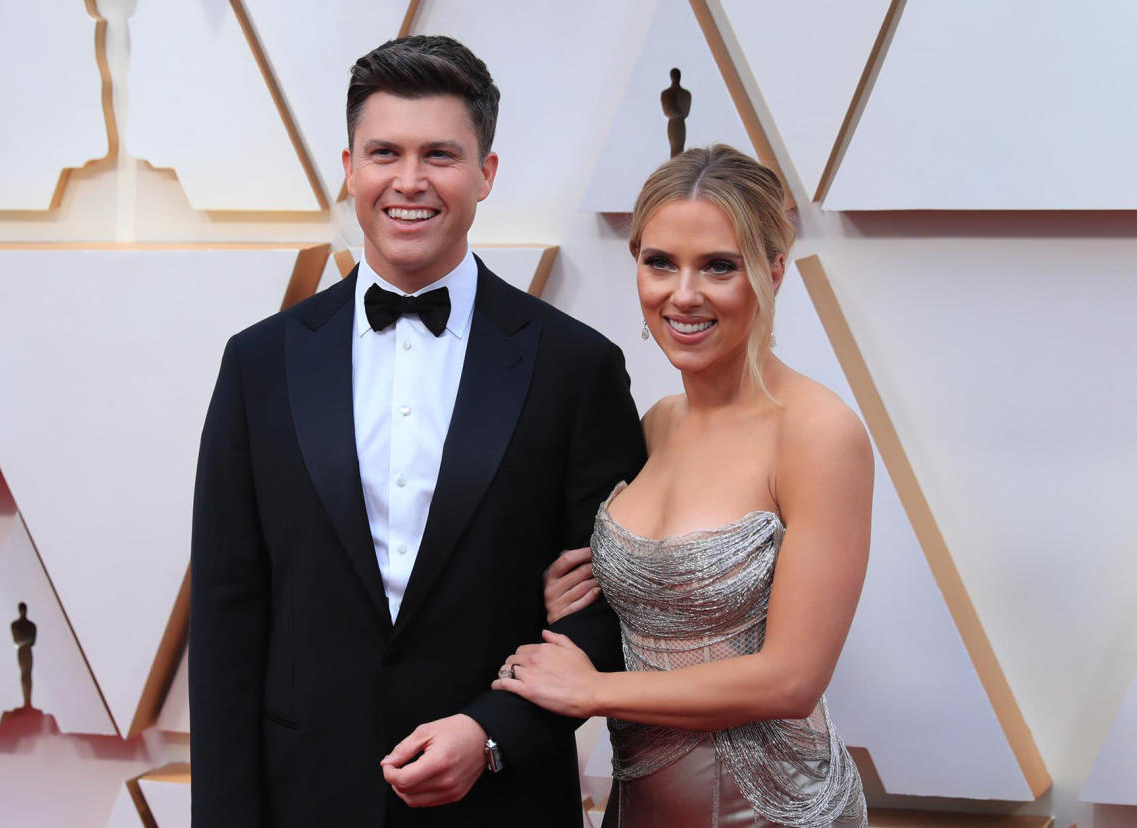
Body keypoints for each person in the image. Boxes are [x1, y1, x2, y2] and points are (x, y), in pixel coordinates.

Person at [188, 35, 645, 828]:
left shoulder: (576, 368)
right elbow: (229, 615)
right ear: (349, 167)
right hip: (307, 800)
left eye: (440, 154)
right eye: (384, 153)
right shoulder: (258, 363)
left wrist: (492, 733)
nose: (408, 181)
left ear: (485, 173)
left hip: (503, 802)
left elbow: (613, 609)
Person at [493, 145, 872, 826]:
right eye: (660, 262)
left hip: (775, 812)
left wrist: (595, 691)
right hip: (637, 805)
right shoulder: (657, 423)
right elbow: (648, 601)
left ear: (774, 272)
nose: (684, 293)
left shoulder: (818, 434)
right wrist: (571, 600)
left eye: (719, 266)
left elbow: (791, 679)